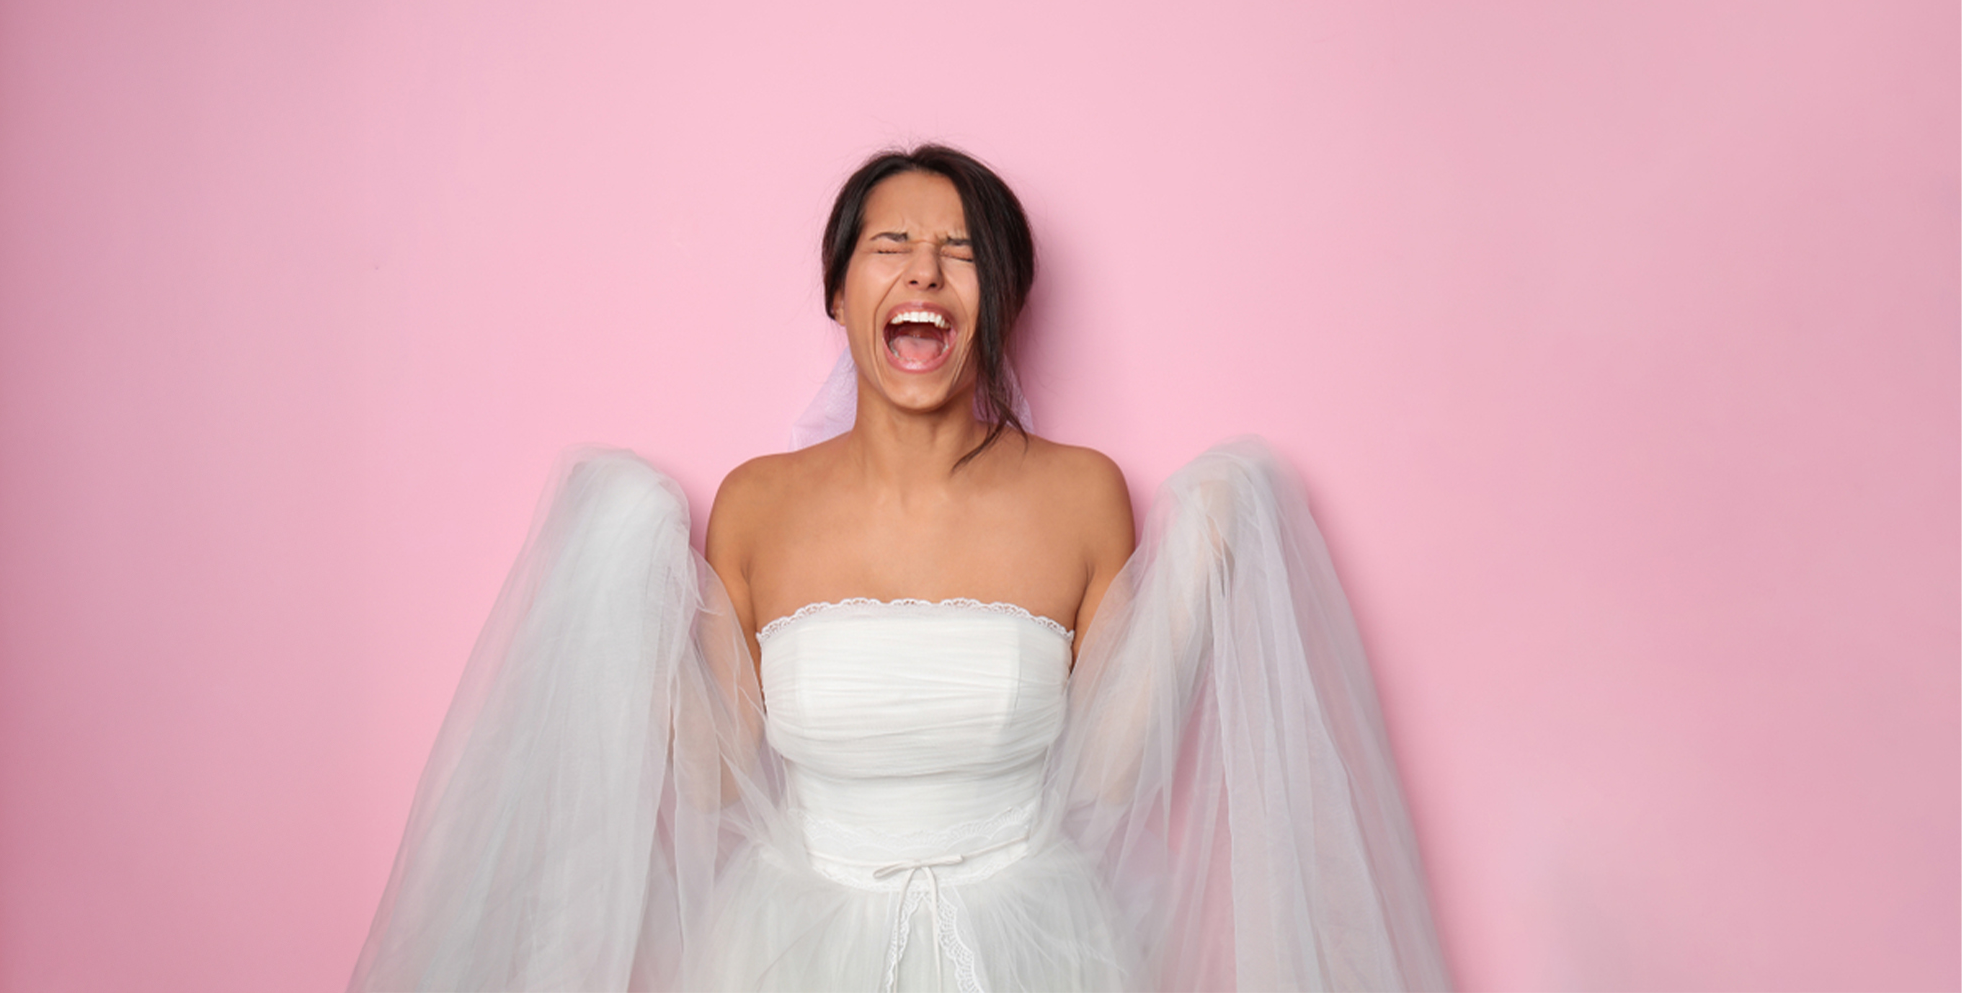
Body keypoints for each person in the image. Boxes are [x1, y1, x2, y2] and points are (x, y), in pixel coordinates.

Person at [350, 146, 1449, 992]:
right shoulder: (754, 503)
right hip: (789, 950)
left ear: (999, 299)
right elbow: (716, 780)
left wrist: (1208, 550)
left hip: (1034, 946)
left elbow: (1110, 771)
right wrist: (625, 582)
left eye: (961, 250)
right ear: (838, 294)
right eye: (890, 246)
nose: (924, 270)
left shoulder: (1080, 494)